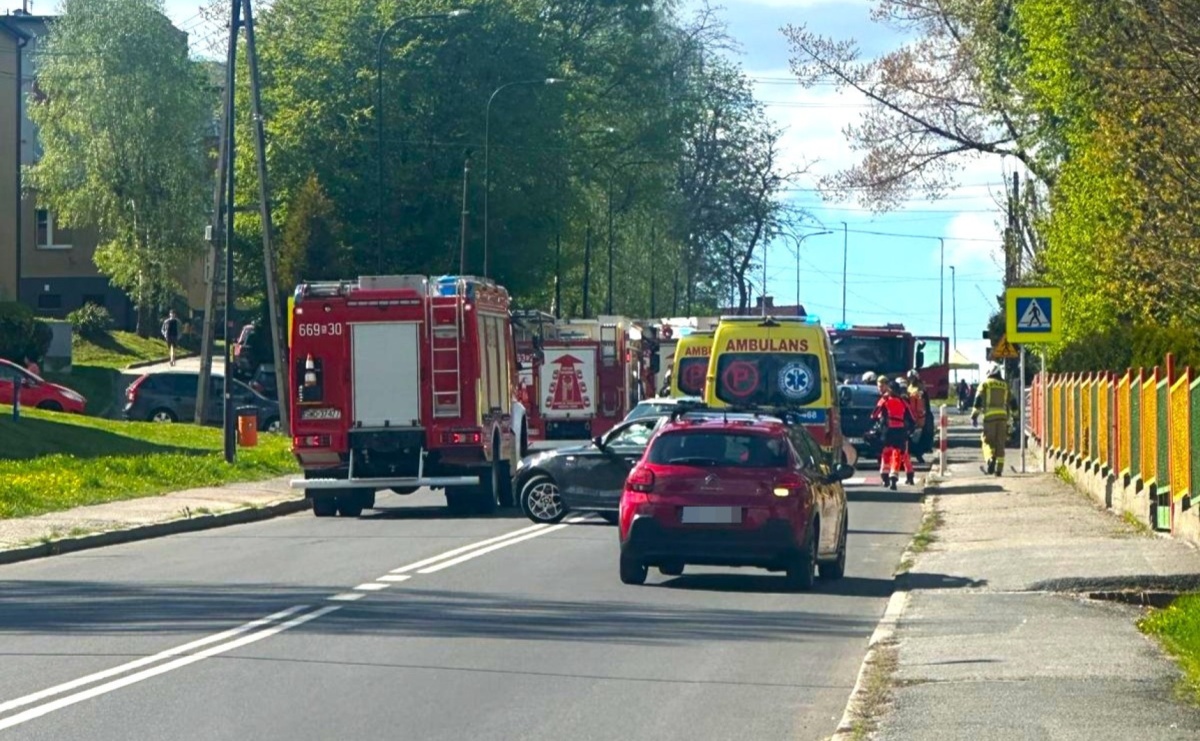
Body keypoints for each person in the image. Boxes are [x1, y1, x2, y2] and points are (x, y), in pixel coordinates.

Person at [971, 364, 1018, 476]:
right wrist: (1016, 417)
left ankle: (990, 459)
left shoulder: (985, 383)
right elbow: (1013, 402)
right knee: (1000, 443)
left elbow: (977, 401)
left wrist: (974, 416)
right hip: (1003, 417)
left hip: (989, 418)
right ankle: (999, 470)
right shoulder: (1005, 385)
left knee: (987, 441)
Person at [872, 376, 916, 490]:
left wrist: (879, 420)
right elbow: (912, 418)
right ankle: (893, 477)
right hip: (900, 432)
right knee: (897, 454)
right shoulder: (903, 402)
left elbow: (874, 414)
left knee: (886, 453)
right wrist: (910, 429)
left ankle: (884, 476)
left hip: (887, 431)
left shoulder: (884, 400)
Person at [905, 370, 931, 464]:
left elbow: (925, 403)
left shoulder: (921, 388)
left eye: (913, 378)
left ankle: (919, 454)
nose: (911, 380)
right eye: (910, 378)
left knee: (920, 437)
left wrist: (925, 415)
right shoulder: (909, 388)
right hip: (911, 416)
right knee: (911, 437)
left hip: (920, 416)